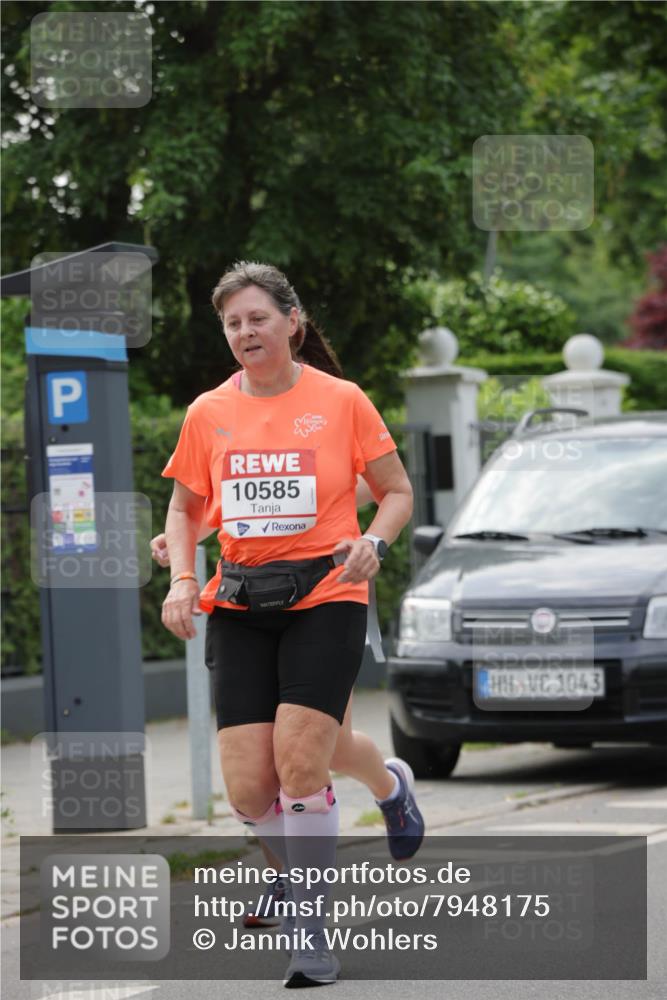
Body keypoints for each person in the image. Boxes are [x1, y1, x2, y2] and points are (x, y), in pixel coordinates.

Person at [160, 261, 421, 987]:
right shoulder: (208, 411)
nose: (245, 332)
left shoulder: (339, 401)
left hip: (327, 595)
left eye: (257, 318)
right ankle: (390, 785)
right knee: (250, 788)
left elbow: (395, 491)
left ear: (292, 323)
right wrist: (183, 575)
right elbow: (188, 508)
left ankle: (311, 931)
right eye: (232, 323)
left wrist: (374, 541)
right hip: (240, 603)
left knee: (302, 762)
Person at [150, 476, 424, 929]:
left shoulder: (328, 413)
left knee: (331, 750)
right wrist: (186, 533)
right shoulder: (225, 418)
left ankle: (392, 789)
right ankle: (287, 880)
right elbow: (235, 505)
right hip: (247, 602)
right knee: (264, 763)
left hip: (326, 596)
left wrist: (315, 512)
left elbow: (375, 487)